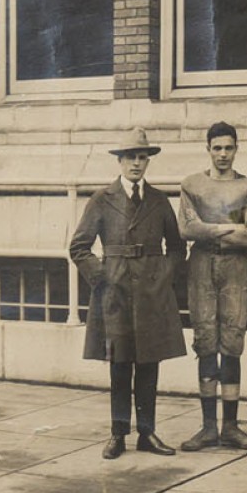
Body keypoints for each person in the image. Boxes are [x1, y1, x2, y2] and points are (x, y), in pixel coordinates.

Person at [68, 129, 188, 459]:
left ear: (148, 162)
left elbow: (177, 248)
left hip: (151, 293)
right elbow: (79, 247)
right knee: (119, 364)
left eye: (142, 157)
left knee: (149, 363)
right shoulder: (102, 199)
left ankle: (147, 433)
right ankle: (118, 434)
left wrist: (163, 277)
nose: (136, 163)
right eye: (130, 157)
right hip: (115, 293)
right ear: (119, 161)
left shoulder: (159, 200)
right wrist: (102, 277)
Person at [173, 120, 247, 450]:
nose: (223, 154)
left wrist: (208, 228)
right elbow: (186, 229)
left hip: (236, 267)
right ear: (207, 149)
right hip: (201, 266)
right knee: (206, 339)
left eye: (228, 148)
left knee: (233, 340)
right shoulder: (192, 185)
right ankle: (208, 426)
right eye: (217, 148)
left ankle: (231, 426)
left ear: (237, 149)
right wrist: (228, 228)